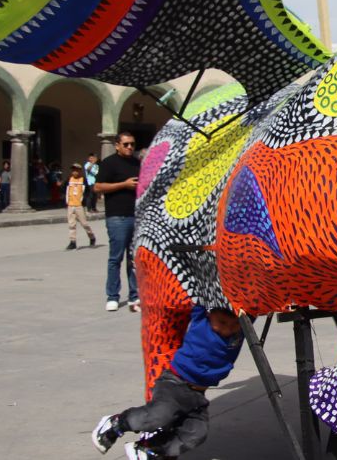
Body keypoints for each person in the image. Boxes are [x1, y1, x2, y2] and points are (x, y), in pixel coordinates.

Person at [92, 306, 244, 459]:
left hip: (197, 396)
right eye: (222, 323)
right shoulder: (201, 317)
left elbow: (252, 308)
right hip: (175, 384)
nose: (227, 330)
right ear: (210, 315)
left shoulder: (240, 330)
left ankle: (152, 450)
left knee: (197, 432)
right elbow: (199, 294)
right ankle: (116, 424)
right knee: (157, 416)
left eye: (234, 325)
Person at [95, 133, 141, 312]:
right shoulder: (109, 163)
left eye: (132, 144)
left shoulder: (137, 163)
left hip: (136, 216)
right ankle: (112, 296)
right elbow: (98, 187)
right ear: (117, 145)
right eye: (126, 144)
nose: (130, 147)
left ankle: (134, 295)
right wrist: (123, 184)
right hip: (117, 217)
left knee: (134, 259)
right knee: (116, 257)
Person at [65, 163, 97, 250]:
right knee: (71, 224)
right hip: (70, 205)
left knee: (84, 224)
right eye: (73, 170)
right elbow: (65, 189)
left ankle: (92, 237)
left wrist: (86, 203)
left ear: (79, 171)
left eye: (76, 170)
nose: (74, 172)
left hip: (79, 205)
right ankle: (73, 242)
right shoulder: (69, 179)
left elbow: (88, 192)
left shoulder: (83, 180)